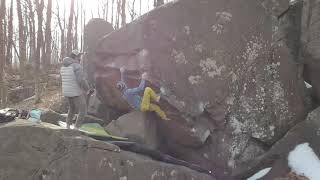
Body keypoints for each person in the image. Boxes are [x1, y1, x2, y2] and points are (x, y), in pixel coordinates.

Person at [60, 50, 93, 129]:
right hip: (75, 91)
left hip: (66, 90)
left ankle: (67, 125)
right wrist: (87, 89)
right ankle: (76, 128)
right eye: (79, 56)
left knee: (72, 108)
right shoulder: (77, 66)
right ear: (76, 57)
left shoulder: (63, 66)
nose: (80, 58)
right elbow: (80, 80)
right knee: (83, 109)